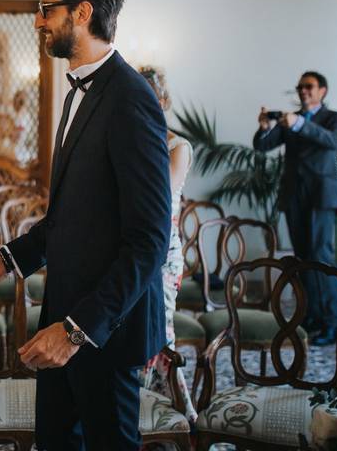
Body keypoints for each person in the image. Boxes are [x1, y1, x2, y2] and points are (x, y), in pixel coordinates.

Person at [0, 0, 171, 450]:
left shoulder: (130, 99)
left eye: (46, 8)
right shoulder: (79, 92)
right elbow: (73, 217)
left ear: (82, 12)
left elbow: (148, 241)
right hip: (65, 315)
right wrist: (9, 258)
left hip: (103, 331)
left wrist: (76, 331)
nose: (38, 20)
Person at [254, 71, 337, 345]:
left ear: (322, 91)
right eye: (300, 87)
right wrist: (265, 128)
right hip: (294, 197)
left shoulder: (334, 118)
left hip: (321, 197)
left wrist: (299, 125)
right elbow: (262, 146)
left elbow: (333, 142)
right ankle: (310, 316)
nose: (303, 91)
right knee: (303, 258)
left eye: (309, 86)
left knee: (321, 258)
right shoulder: (288, 118)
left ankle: (332, 323)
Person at [137, 65, 197, 424]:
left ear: (161, 100)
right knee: (133, 333)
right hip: (129, 251)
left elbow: (159, 194)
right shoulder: (130, 140)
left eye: (147, 98)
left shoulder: (179, 147)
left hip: (163, 253)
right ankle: (138, 412)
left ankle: (177, 414)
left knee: (160, 332)